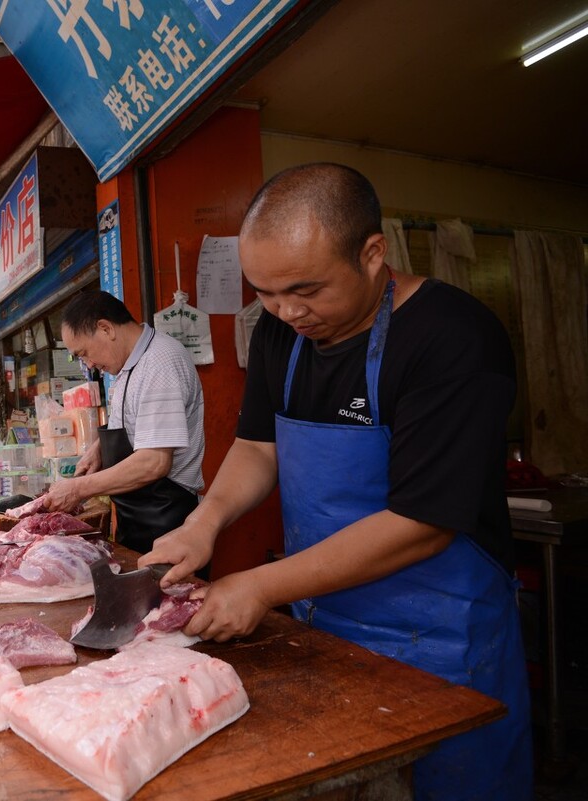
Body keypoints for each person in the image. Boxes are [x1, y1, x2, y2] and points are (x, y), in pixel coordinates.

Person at [141, 163, 531, 799]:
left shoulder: (452, 338)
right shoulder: (281, 333)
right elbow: (257, 445)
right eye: (264, 292)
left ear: (373, 253)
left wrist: (259, 585)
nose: (287, 311)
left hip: (441, 637)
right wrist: (203, 523)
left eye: (306, 289)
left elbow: (422, 523)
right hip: (323, 622)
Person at [44, 290, 205, 553]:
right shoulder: (128, 366)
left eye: (84, 353)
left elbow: (154, 462)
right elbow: (133, 425)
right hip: (137, 519)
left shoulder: (159, 362)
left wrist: (78, 489)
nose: (89, 364)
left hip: (168, 522)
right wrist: (99, 450)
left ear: (106, 328)